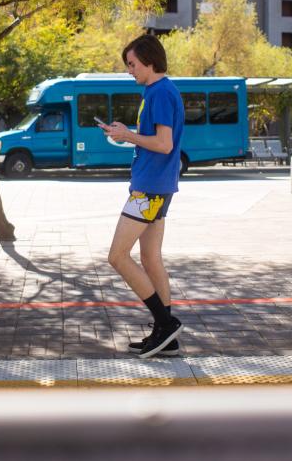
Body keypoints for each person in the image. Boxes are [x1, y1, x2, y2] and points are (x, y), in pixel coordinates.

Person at [102, 35, 185, 359]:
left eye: (132, 64)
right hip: (156, 185)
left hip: (149, 188)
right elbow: (157, 141)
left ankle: (166, 324)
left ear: (150, 61)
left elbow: (164, 144)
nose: (130, 71)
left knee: (117, 256)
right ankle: (167, 339)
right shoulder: (157, 91)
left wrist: (126, 135)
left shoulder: (161, 93)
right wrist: (127, 134)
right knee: (150, 259)